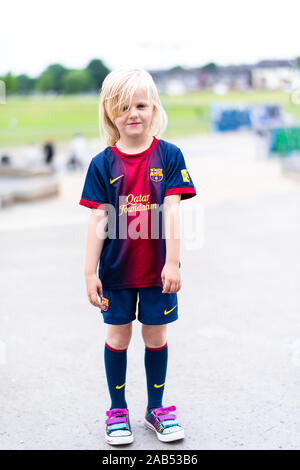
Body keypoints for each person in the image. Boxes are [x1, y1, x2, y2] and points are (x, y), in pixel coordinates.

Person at [79, 68, 197, 446]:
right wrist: (88, 272)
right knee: (117, 337)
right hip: (115, 272)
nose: (133, 113)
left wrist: (173, 262)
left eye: (141, 105)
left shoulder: (170, 155)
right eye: (123, 106)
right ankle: (117, 410)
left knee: (156, 335)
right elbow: (99, 217)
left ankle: (156, 409)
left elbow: (173, 210)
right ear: (110, 113)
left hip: (157, 272)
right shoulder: (102, 163)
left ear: (154, 108)